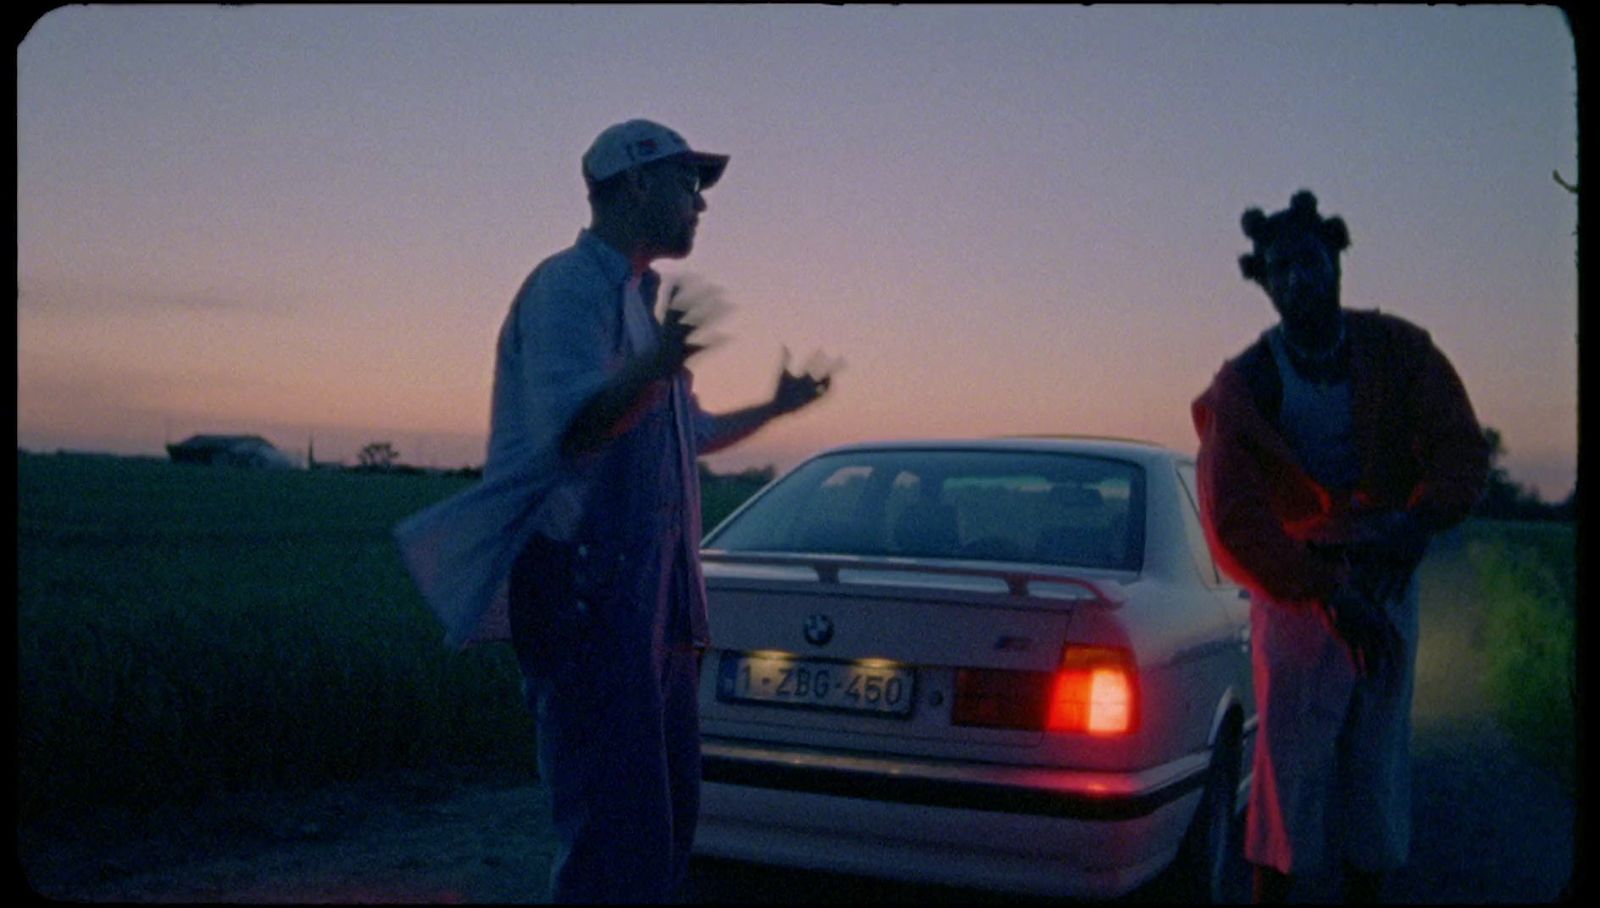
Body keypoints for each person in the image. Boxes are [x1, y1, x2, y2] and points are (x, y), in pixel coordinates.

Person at [394, 118, 835, 903]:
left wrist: (775, 404)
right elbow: (578, 427)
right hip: (584, 599)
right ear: (635, 184)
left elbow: (685, 432)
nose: (699, 204)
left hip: (655, 607)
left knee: (663, 823)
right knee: (611, 833)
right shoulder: (567, 287)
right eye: (687, 183)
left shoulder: (638, 300)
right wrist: (657, 364)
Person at [1190, 190, 1488, 904]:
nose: (1297, 279)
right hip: (1296, 593)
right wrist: (1325, 590)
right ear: (1263, 283)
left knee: (1377, 759)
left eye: (1309, 262)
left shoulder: (1401, 351)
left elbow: (1460, 452)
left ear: (1336, 263)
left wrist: (1411, 526)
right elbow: (1235, 522)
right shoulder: (1247, 383)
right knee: (1288, 762)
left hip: (1386, 575)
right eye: (1280, 269)